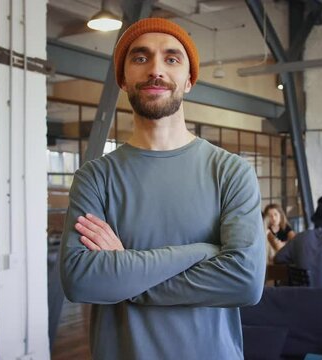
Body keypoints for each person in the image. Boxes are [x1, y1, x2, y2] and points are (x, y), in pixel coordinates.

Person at [59, 18, 266, 360]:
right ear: (123, 79)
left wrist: (127, 278)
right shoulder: (95, 178)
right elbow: (81, 280)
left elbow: (244, 281)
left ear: (189, 80)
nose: (156, 69)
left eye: (171, 59)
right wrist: (200, 252)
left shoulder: (231, 172)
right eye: (140, 58)